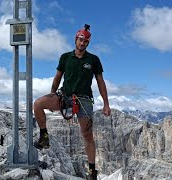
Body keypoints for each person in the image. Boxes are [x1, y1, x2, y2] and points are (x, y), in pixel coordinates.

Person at [33, 24, 111, 180]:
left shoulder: (93, 60)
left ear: (88, 43)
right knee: (38, 104)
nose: (82, 43)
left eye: (85, 42)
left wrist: (106, 103)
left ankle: (92, 171)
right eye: (80, 40)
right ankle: (44, 137)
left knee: (87, 135)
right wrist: (52, 94)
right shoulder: (65, 57)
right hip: (65, 96)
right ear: (76, 40)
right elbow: (57, 77)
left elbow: (100, 81)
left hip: (84, 99)